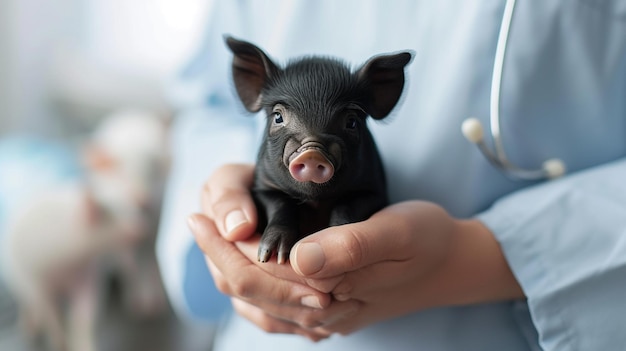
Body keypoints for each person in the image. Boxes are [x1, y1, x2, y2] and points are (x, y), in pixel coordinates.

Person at [156, 1, 626, 350]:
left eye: (349, 121)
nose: (310, 150)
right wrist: (228, 217)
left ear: (382, 91)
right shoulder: (257, 91)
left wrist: (489, 257)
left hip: (505, 324)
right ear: (253, 82)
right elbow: (209, 107)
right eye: (281, 120)